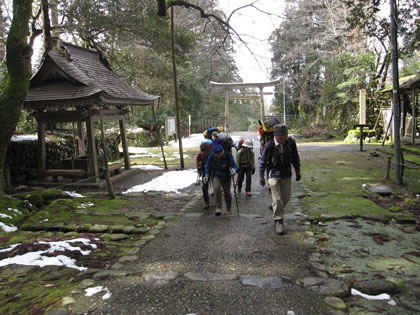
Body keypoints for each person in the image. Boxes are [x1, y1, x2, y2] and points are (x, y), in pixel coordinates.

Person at [259, 124, 301, 235]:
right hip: (274, 174)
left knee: (286, 198)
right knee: (277, 199)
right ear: (275, 136)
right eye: (280, 138)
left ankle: (275, 208)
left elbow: (295, 158)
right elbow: (262, 161)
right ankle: (279, 221)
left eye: (284, 137)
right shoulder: (270, 145)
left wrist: (298, 171)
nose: (282, 140)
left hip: (286, 173)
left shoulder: (291, 143)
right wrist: (261, 176)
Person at [204, 143, 237, 216]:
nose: (218, 155)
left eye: (220, 153)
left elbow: (234, 165)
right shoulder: (211, 156)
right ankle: (218, 207)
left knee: (227, 192)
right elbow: (207, 165)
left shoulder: (228, 155)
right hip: (216, 174)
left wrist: (234, 170)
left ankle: (228, 207)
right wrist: (206, 175)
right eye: (217, 154)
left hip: (226, 175)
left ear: (222, 152)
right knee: (216, 189)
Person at [196, 141, 212, 209]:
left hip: (213, 171)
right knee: (204, 187)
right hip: (204, 171)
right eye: (203, 151)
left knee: (216, 186)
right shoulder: (200, 154)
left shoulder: (212, 154)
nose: (205, 153)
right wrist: (198, 166)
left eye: (206, 151)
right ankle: (206, 201)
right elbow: (197, 160)